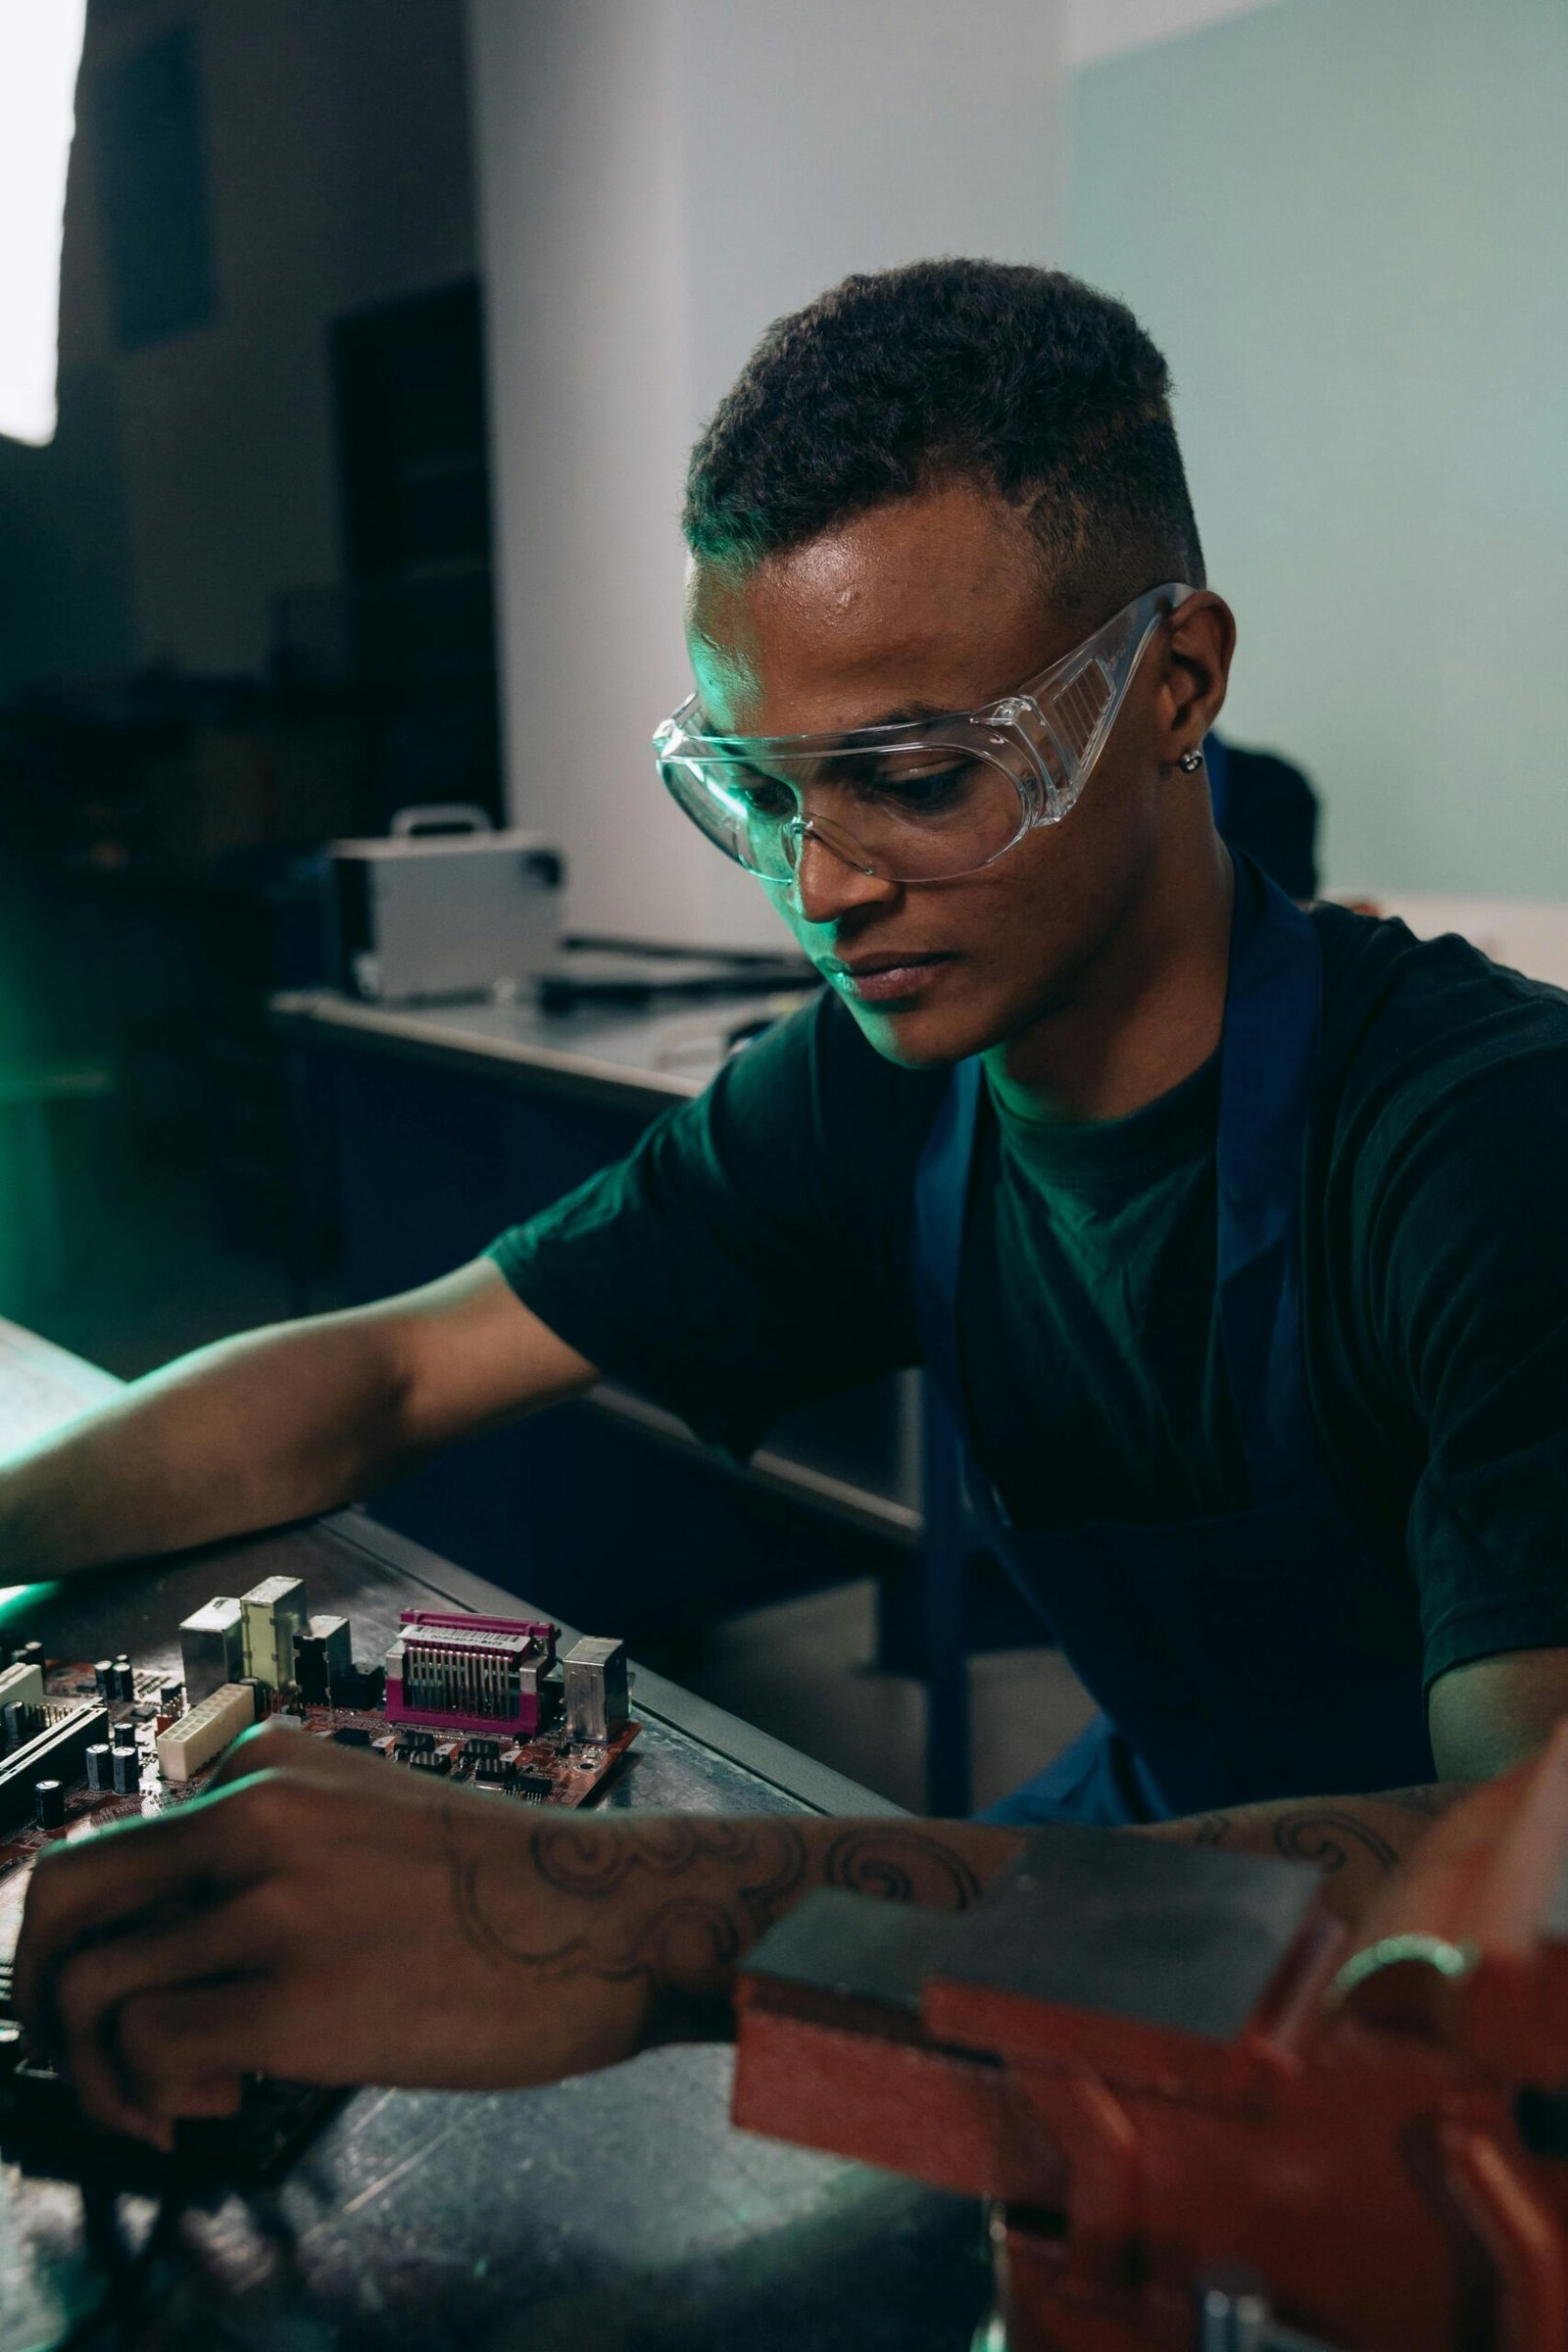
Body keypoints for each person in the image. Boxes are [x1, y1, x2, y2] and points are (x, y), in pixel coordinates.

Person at [10, 261, 1568, 2149]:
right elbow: (396, 1378)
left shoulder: (1480, 1148)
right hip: (1144, 1826)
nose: (821, 892)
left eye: (915, 781)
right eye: (763, 793)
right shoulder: (876, 1092)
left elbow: (1515, 1883)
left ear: (1174, 686)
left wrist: (610, 1918)